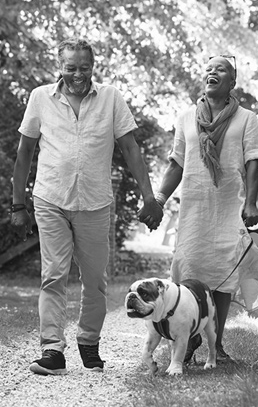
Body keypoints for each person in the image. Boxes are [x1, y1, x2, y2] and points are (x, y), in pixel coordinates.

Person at [11, 38, 163, 375]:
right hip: (50, 198)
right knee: (53, 276)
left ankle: (89, 342)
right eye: (71, 67)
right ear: (60, 66)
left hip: (94, 203)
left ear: (93, 67)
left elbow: (130, 147)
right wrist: (17, 203)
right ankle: (52, 350)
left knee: (95, 280)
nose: (78, 74)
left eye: (84, 67)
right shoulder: (40, 98)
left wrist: (148, 195)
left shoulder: (111, 98)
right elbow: (24, 152)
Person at [140, 55, 258, 362]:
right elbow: (177, 162)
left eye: (221, 70)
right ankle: (188, 338)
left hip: (230, 206)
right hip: (194, 208)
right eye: (209, 69)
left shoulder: (246, 119)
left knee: (222, 275)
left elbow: (253, 161)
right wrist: (159, 199)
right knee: (188, 267)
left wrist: (252, 203)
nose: (212, 72)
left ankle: (216, 345)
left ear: (232, 82)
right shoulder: (187, 117)